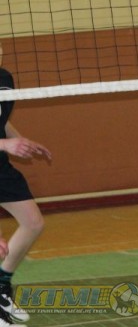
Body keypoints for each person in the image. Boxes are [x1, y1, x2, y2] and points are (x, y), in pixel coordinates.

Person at [0, 43, 52, 326]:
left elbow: (2, 121)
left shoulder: (4, 79)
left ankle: (1, 286)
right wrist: (5, 145)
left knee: (33, 223)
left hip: (0, 166)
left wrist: (20, 141)